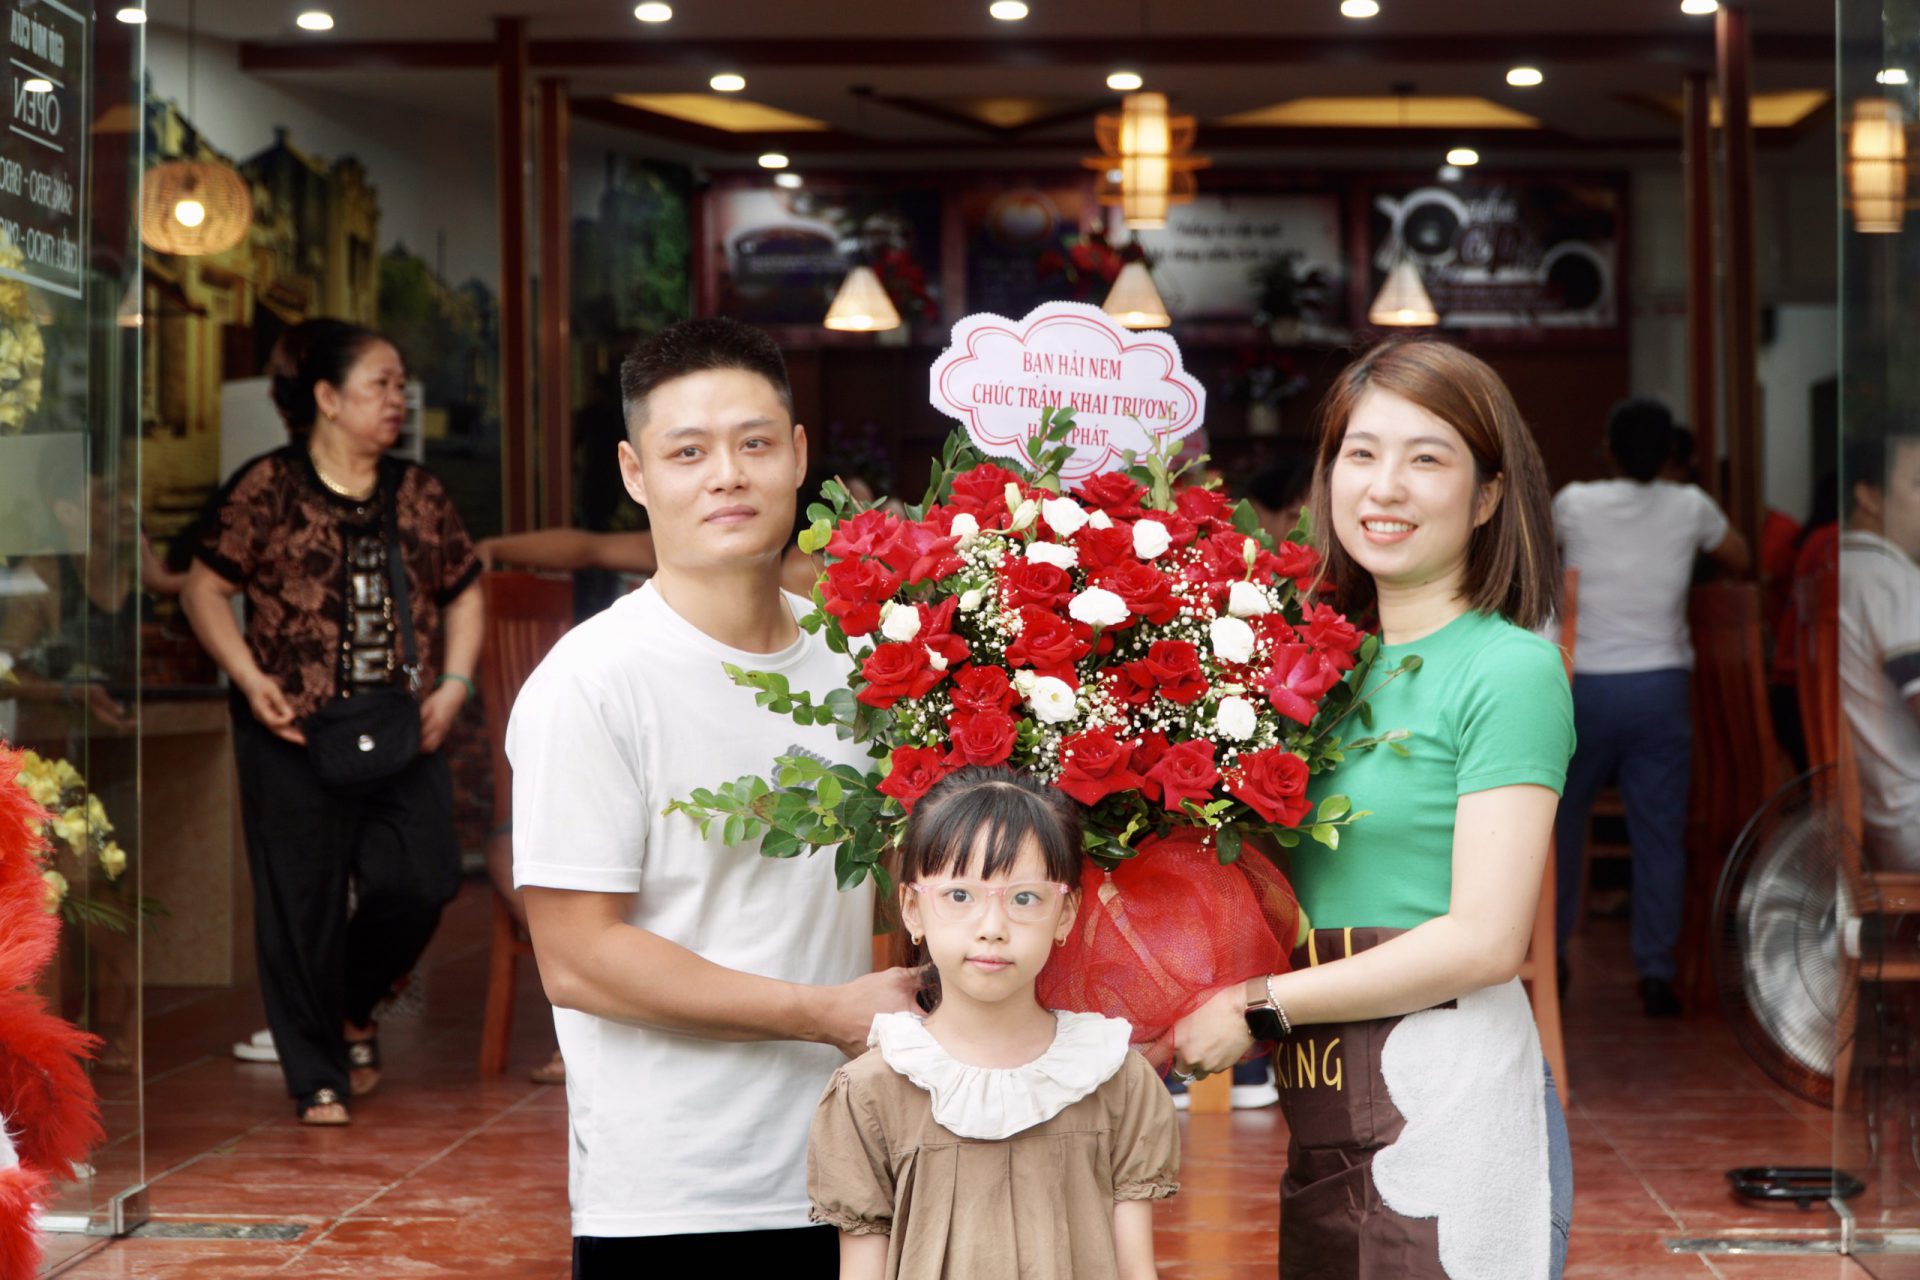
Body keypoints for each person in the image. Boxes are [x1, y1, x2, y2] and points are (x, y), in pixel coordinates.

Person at [505, 317, 919, 1277]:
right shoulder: (592, 683)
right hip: (677, 1194)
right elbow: (578, 960)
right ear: (635, 472)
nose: (727, 476)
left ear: (799, 455)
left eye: (754, 444)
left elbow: (902, 881)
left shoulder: (861, 662)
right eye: (687, 452)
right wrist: (824, 1012)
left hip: (858, 1169)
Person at [1170, 338, 1575, 1280]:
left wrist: (1259, 1008)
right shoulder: (1317, 667)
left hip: (1454, 1105)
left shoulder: (1509, 668)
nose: (1384, 486)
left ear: (1487, 496)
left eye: (1426, 458)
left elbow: (1487, 942)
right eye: (1362, 453)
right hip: (1324, 1104)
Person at [179, 319, 482, 1126]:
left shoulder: (419, 492)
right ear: (327, 397)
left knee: (423, 880)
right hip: (292, 732)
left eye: (400, 384)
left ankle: (353, 1006)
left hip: (402, 726)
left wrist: (454, 685)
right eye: (381, 383)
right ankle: (317, 1074)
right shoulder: (266, 487)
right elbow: (203, 588)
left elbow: (464, 588)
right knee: (299, 904)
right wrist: (249, 680)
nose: (398, 398)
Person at [808, 767, 1177, 1280]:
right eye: (960, 896)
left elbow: (1137, 1269)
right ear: (912, 909)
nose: (992, 928)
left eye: (1025, 898)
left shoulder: (1115, 1078)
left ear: (1065, 912)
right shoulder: (869, 1091)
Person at [1549, 397, 1749, 1016]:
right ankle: (1657, 972)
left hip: (1581, 688)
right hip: (1659, 689)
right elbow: (1742, 559)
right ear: (1670, 455)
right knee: (1659, 832)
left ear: (1607, 451)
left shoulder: (1574, 502)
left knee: (1561, 823)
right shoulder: (1691, 505)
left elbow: (1534, 556)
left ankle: (1550, 953)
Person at [1839, 430, 1920, 871]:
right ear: (1868, 496)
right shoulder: (1892, 581)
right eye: (1919, 483)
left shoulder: (1843, 569)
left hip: (1877, 820)